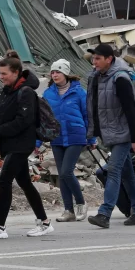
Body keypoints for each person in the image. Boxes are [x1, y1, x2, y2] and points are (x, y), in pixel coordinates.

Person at [0, 51, 54, 239]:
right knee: (24, 182)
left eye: (4, 74)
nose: (1, 77)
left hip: (22, 143)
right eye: (0, 73)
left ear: (16, 72)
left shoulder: (25, 92)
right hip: (10, 144)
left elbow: (23, 121)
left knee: (4, 180)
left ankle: (0, 226)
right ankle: (44, 222)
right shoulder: (7, 91)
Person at [86, 44, 135, 228]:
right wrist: (93, 133)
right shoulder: (97, 77)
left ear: (109, 59)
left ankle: (104, 213)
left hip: (123, 133)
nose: (94, 62)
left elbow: (131, 111)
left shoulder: (120, 79)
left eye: (98, 58)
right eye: (93, 58)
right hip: (109, 133)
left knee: (113, 170)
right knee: (128, 174)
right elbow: (94, 107)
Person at [38, 59, 94, 222]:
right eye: (53, 72)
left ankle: (81, 204)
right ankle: (68, 210)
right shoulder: (48, 94)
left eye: (58, 72)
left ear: (66, 74)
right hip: (57, 137)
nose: (54, 75)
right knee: (62, 176)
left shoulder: (79, 92)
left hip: (76, 135)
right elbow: (43, 120)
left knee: (66, 172)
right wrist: (38, 142)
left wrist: (91, 137)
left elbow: (88, 116)